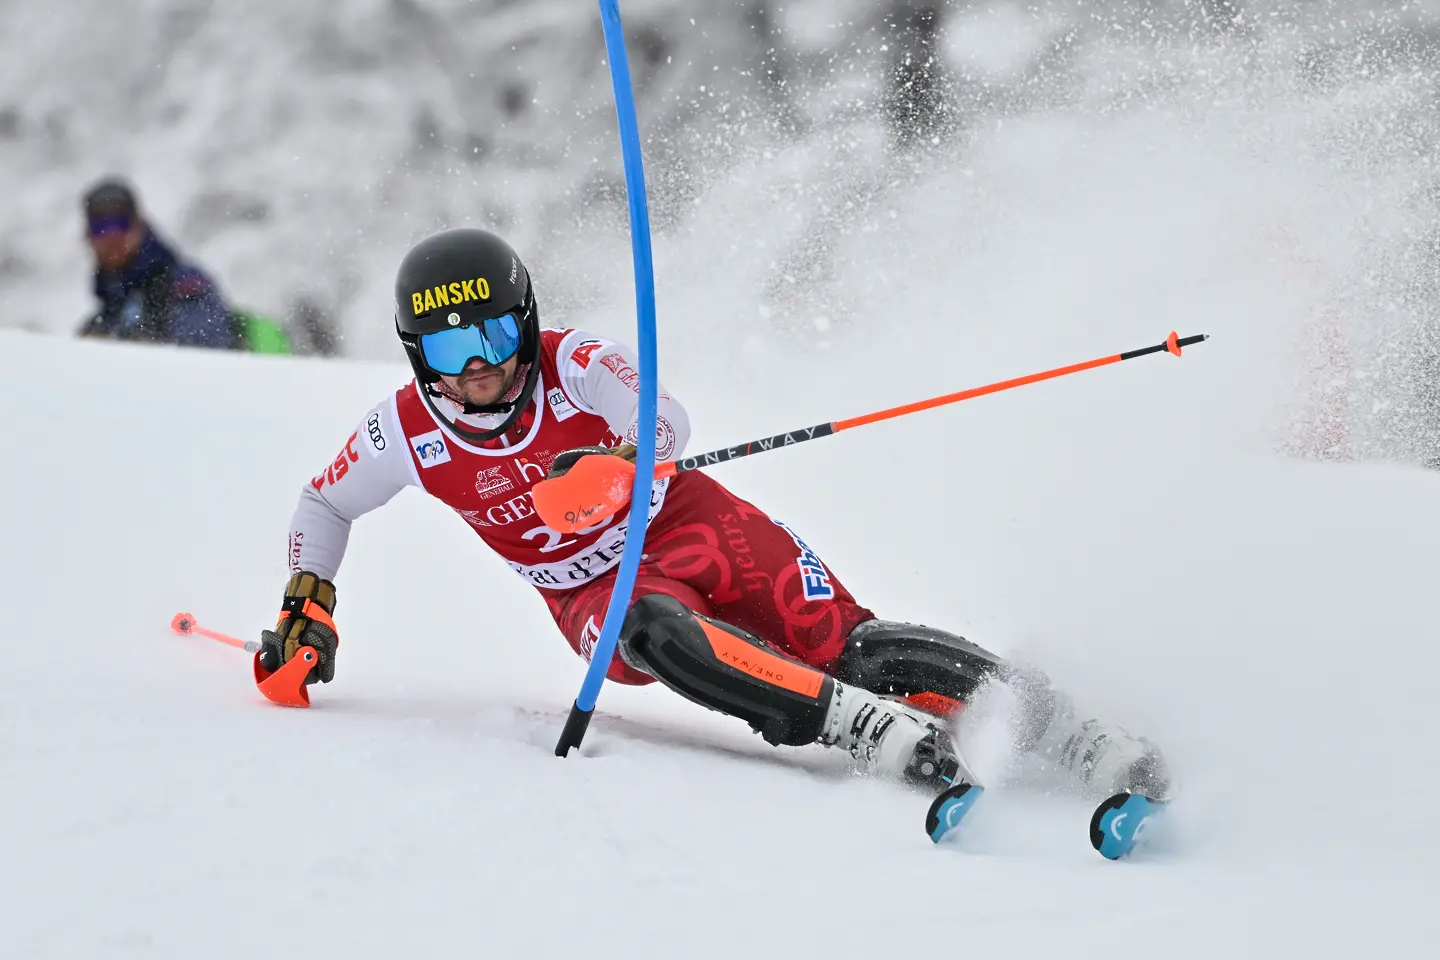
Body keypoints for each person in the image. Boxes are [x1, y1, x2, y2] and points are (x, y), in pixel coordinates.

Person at [260, 227, 1171, 801]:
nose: (479, 368)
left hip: (693, 523)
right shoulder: (406, 432)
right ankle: (852, 725)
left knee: (848, 641)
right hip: (591, 591)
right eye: (450, 349)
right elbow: (323, 502)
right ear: (416, 355)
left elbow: (664, 417)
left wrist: (618, 467)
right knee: (648, 627)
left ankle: (1071, 727)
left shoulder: (574, 360)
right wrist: (309, 603)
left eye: (495, 335)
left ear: (525, 321)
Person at [77, 179, 241, 350]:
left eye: (120, 223)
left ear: (139, 227)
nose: (111, 236)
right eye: (100, 227)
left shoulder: (184, 283)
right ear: (87, 237)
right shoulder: (108, 312)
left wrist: (125, 345)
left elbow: (204, 345)